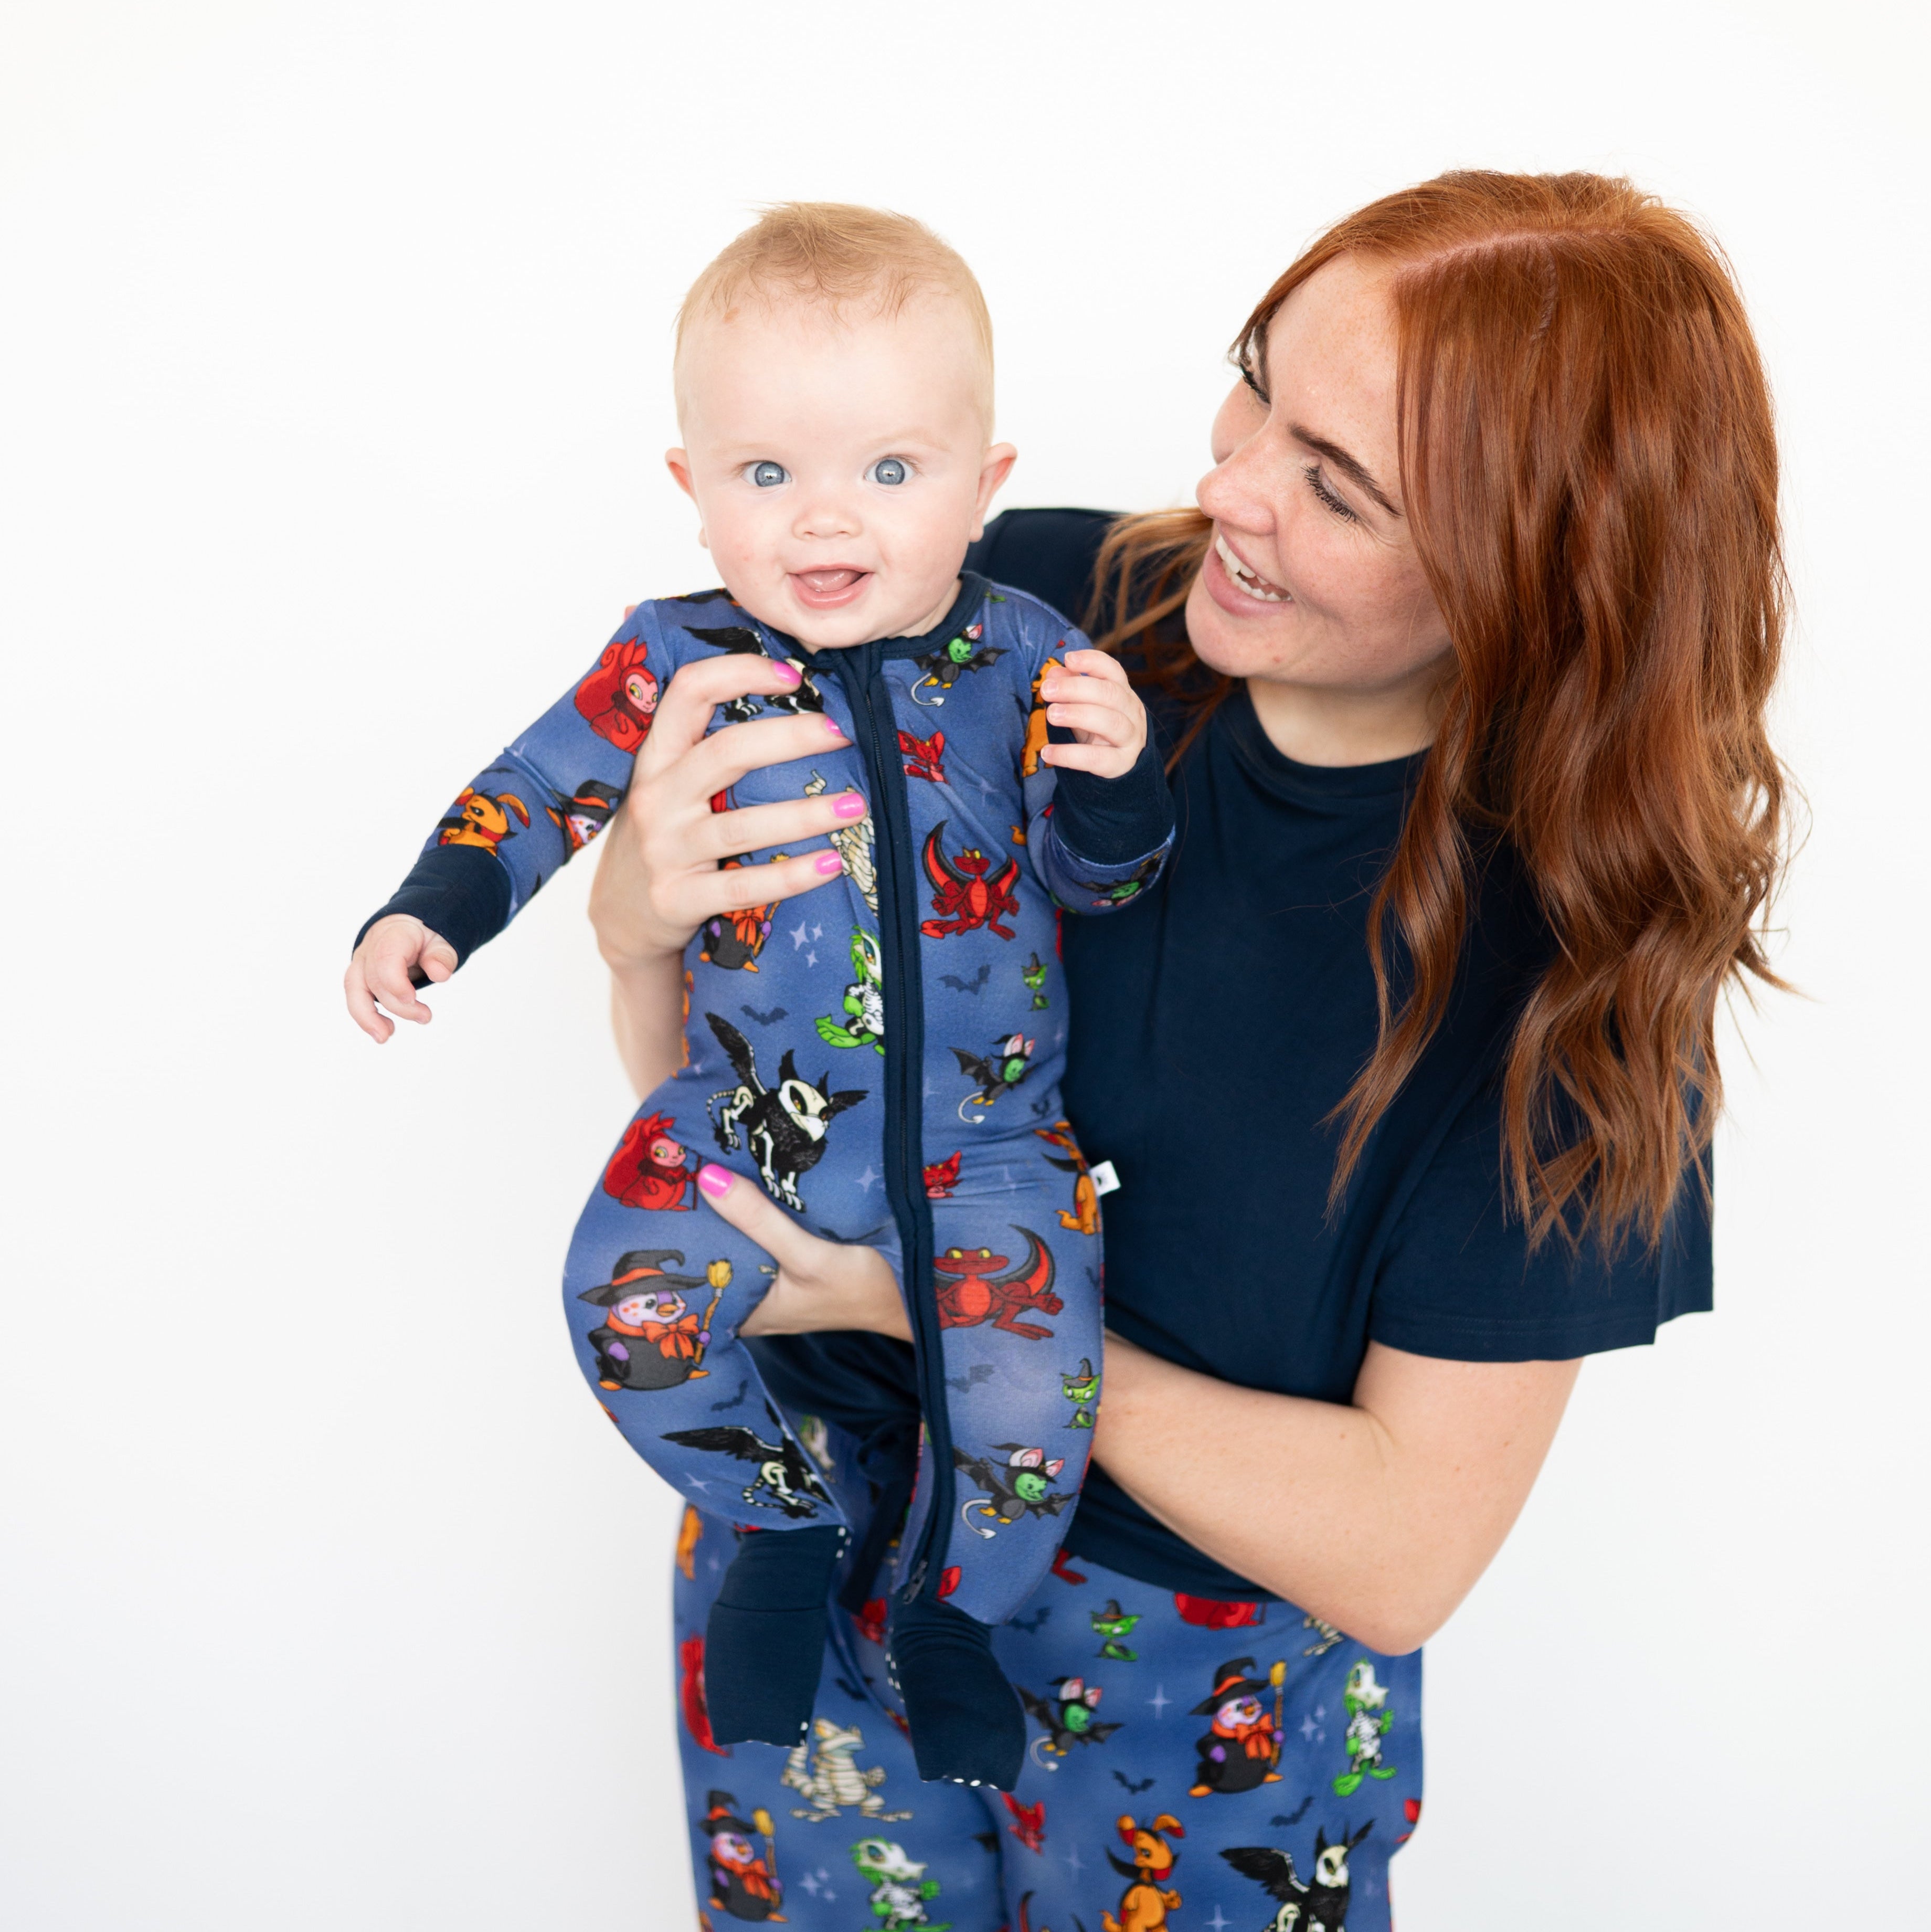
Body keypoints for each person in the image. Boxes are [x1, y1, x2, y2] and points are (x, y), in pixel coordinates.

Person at [577, 172, 1787, 1929]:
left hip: (1190, 1693)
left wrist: (952, 1312)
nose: (1228, 488)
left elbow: (1401, 1548)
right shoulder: (1029, 612)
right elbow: (750, 1102)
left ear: (1532, 573)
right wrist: (630, 926)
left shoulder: (1574, 978)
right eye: (1258, 391)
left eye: (1337, 483)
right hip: (817, 1555)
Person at [342, 204, 1177, 1792]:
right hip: (748, 1128)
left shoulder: (1027, 655)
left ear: (985, 483)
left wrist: (1125, 786)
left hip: (993, 1148)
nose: (824, 520)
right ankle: (779, 1518)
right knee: (620, 1302)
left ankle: (952, 1607)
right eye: (767, 473)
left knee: (1032, 1395)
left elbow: (1101, 885)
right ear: (692, 488)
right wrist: (431, 906)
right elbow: (532, 788)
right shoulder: (671, 656)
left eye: (889, 468)